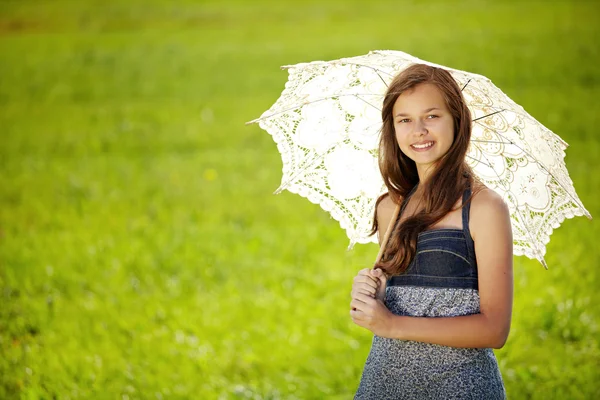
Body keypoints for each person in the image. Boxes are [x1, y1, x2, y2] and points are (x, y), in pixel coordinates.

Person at [350, 63, 513, 399]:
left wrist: (392, 325)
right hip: (385, 383)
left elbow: (495, 329)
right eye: (404, 120)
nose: (418, 130)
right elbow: (402, 300)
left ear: (457, 119)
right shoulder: (390, 208)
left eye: (432, 116)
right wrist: (376, 296)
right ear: (391, 129)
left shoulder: (484, 209)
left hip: (458, 386)